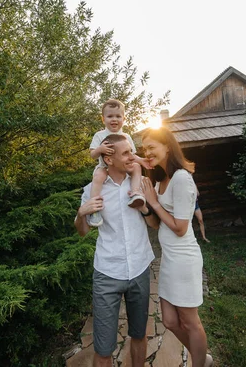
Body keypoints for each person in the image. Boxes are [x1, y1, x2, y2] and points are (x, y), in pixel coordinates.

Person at [75, 134, 158, 367]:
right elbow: (82, 231)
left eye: (132, 151)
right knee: (103, 347)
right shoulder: (93, 189)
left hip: (140, 268)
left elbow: (154, 225)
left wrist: (145, 209)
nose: (133, 157)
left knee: (140, 334)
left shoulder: (141, 184)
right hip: (107, 273)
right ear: (109, 159)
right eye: (126, 153)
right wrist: (82, 213)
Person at [140, 127, 213, 367]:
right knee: (170, 321)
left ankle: (200, 362)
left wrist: (153, 202)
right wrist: (145, 208)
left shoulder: (181, 178)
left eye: (152, 147)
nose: (147, 152)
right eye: (144, 149)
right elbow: (156, 224)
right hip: (169, 260)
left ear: (167, 147)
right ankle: (203, 357)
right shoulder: (160, 180)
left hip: (184, 259)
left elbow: (181, 227)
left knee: (191, 322)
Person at [87, 99, 150, 227]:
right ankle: (95, 209)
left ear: (124, 118)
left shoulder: (126, 136)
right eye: (110, 116)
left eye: (118, 116)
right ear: (103, 119)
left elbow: (130, 155)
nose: (114, 119)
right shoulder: (100, 135)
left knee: (136, 167)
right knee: (99, 176)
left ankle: (135, 193)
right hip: (105, 167)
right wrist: (100, 149)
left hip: (123, 166)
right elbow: (93, 155)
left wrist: (141, 160)